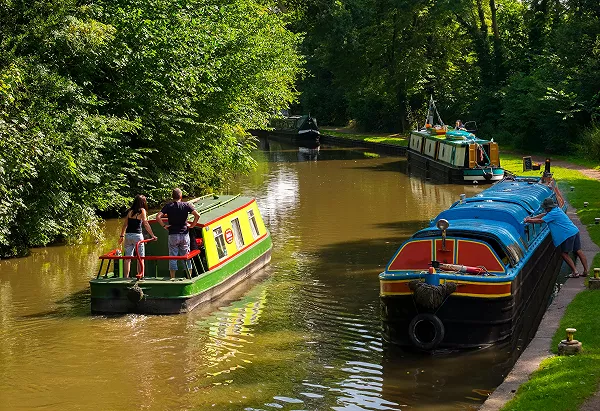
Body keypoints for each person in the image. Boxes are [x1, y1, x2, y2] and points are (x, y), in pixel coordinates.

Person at [524, 197, 589, 278]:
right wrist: (531, 218)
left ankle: (575, 272)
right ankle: (586, 271)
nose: (545, 209)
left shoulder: (552, 214)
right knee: (579, 251)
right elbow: (543, 215)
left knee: (564, 254)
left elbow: (541, 221)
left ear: (548, 207)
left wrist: (528, 221)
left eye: (545, 208)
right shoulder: (556, 209)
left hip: (567, 234)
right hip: (574, 231)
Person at [156, 188, 200, 279]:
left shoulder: (168, 206)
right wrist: (192, 225)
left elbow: (158, 216)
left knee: (172, 257)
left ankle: (173, 278)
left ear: (172, 196)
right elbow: (197, 215)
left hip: (173, 234)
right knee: (186, 256)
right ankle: (188, 277)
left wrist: (164, 226)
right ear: (181, 196)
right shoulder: (186, 205)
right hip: (184, 234)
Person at [118, 195, 157, 278]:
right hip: (137, 237)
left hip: (128, 236)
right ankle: (140, 276)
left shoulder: (130, 211)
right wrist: (152, 235)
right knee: (140, 258)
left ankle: (126, 277)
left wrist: (121, 236)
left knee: (127, 259)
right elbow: (146, 224)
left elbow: (125, 224)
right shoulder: (142, 211)